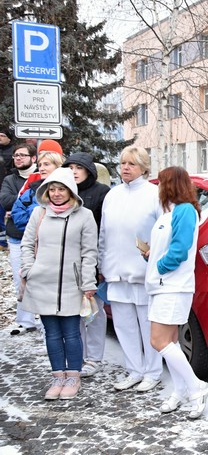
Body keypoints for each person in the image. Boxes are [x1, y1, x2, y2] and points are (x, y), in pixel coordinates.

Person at [19, 167, 98, 400]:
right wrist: (28, 269)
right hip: (41, 283)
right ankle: (57, 376)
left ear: (70, 191)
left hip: (71, 285)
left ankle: (73, 377)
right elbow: (26, 244)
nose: (56, 194)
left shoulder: (84, 216)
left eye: (61, 189)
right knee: (52, 334)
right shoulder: (39, 214)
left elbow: (89, 253)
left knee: (72, 333)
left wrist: (88, 282)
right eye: (52, 189)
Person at [145, 167, 208, 419]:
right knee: (171, 342)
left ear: (170, 185)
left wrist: (159, 267)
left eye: (161, 182)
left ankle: (196, 387)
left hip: (171, 286)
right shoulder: (172, 211)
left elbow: (180, 250)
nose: (158, 188)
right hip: (164, 285)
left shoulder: (184, 211)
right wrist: (153, 257)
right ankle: (181, 389)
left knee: (158, 341)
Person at [98, 146, 163, 392]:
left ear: (144, 168)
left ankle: (153, 372)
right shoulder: (112, 195)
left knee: (148, 325)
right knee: (124, 325)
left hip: (144, 271)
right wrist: (102, 262)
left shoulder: (154, 194)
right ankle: (134, 369)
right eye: (123, 163)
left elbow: (163, 231)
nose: (125, 167)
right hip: (116, 270)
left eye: (132, 164)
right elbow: (104, 232)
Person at [64, 153, 111, 377]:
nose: (74, 171)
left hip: (93, 260)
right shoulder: (65, 192)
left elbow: (105, 230)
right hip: (69, 263)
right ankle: (78, 356)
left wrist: (101, 265)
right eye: (70, 167)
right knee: (74, 313)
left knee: (94, 312)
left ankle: (94, 358)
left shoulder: (101, 192)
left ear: (89, 170)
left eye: (79, 167)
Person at [1, 143, 39, 335]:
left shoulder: (41, 177)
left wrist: (20, 205)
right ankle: (26, 320)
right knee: (20, 277)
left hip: (41, 236)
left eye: (23, 155)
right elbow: (6, 200)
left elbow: (44, 200)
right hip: (16, 236)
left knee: (42, 278)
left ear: (33, 158)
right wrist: (26, 199)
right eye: (16, 155)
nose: (18, 158)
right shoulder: (10, 179)